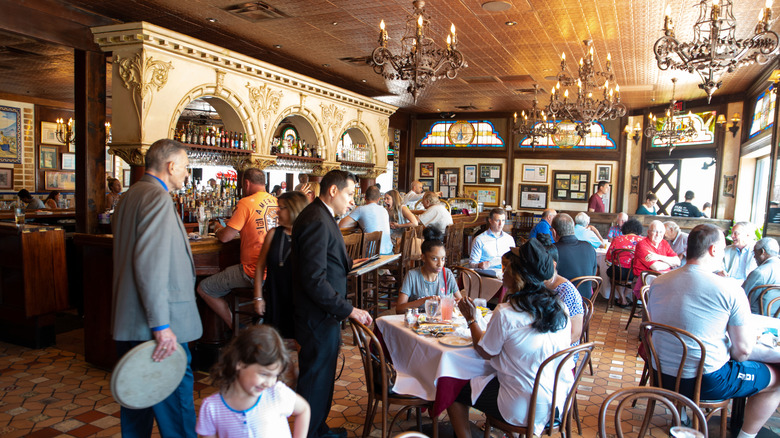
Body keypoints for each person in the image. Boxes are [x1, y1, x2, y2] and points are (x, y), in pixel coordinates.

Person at [647, 224, 780, 438]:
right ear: (714, 250)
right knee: (777, 378)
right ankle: (746, 436)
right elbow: (743, 352)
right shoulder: (730, 289)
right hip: (706, 383)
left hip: (661, 376)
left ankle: (682, 416)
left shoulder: (658, 282)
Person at [111, 139, 202, 437]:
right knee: (176, 411)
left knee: (137, 406)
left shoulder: (130, 195)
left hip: (133, 321)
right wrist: (161, 324)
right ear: (171, 165)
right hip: (159, 328)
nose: (187, 173)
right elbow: (150, 265)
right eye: (186, 167)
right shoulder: (157, 198)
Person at [447, 240, 573, 438]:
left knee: (452, 390)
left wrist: (471, 319)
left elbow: (485, 351)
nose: (502, 272)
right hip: (558, 402)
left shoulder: (507, 312)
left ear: (518, 276)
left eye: (507, 268)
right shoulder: (560, 308)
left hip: (523, 406)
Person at [291, 169, 372, 438]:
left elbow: (326, 259)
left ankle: (319, 429)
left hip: (323, 314)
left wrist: (348, 263)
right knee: (315, 379)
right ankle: (310, 434)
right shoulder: (316, 218)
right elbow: (314, 279)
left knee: (323, 377)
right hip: (317, 316)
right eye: (349, 194)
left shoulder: (322, 215)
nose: (352, 201)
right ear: (333, 191)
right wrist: (349, 309)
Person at [197, 168, 278, 329]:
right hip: (273, 272)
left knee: (204, 288)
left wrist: (218, 228)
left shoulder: (246, 203)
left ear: (246, 183)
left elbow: (226, 237)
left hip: (251, 271)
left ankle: (239, 330)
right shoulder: (275, 201)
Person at [196, 325, 311, 438]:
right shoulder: (212, 408)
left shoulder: (275, 394)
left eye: (275, 375)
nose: (269, 383)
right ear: (239, 363)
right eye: (264, 374)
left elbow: (303, 409)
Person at [254, 191, 309, 339]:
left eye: (281, 207)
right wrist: (258, 297)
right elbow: (260, 266)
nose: (277, 211)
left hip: (297, 299)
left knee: (299, 341)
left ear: (293, 209)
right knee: (274, 341)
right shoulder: (273, 233)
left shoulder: (307, 235)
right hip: (274, 295)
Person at [395, 227, 462, 314]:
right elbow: (399, 309)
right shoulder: (412, 276)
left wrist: (459, 302)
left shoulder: (447, 274)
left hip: (442, 322)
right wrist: (425, 300)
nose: (440, 264)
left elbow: (460, 300)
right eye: (434, 259)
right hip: (418, 323)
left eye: (443, 259)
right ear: (423, 257)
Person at [537, 234, 584, 345]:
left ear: (553, 265)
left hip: (561, 351)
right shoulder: (538, 284)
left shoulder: (566, 292)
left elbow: (574, 335)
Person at [552, 213, 597, 299]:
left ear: (553, 232)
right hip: (586, 301)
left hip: (562, 301)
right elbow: (593, 274)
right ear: (573, 228)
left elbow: (547, 280)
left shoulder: (553, 250)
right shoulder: (589, 247)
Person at [339, 185, 393, 255]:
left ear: (365, 198)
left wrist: (357, 222)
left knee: (355, 253)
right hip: (389, 252)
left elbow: (342, 225)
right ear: (379, 199)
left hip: (373, 255)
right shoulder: (384, 210)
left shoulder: (361, 209)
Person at [605, 218, 644, 307]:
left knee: (613, 274)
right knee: (636, 279)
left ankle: (622, 298)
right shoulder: (643, 241)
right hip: (634, 273)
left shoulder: (617, 239)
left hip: (618, 272)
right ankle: (623, 298)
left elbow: (608, 259)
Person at [469, 208, 515, 276]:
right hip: (487, 274)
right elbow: (472, 264)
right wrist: (479, 265)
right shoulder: (479, 239)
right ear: (490, 220)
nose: (500, 224)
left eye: (503, 220)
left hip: (505, 273)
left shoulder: (509, 239)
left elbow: (513, 260)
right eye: (497, 220)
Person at [742, 238, 780, 315]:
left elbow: (742, 297)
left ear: (762, 252)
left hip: (758, 316)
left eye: (754, 253)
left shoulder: (760, 272)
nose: (754, 257)